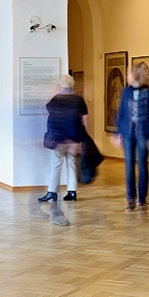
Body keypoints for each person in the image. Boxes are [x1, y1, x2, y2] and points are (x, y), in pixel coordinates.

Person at [38, 74, 89, 210]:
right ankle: (72, 192)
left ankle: (52, 192)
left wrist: (54, 92)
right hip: (74, 136)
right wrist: (85, 136)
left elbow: (47, 108)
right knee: (72, 163)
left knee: (56, 164)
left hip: (59, 137)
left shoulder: (57, 99)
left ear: (60, 85)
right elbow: (85, 118)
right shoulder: (79, 99)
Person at [113, 61, 149, 212]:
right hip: (127, 133)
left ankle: (142, 199)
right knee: (129, 166)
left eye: (129, 73)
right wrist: (118, 134)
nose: (127, 76)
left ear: (136, 75)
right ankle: (130, 200)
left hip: (143, 133)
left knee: (142, 166)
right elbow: (122, 113)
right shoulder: (126, 91)